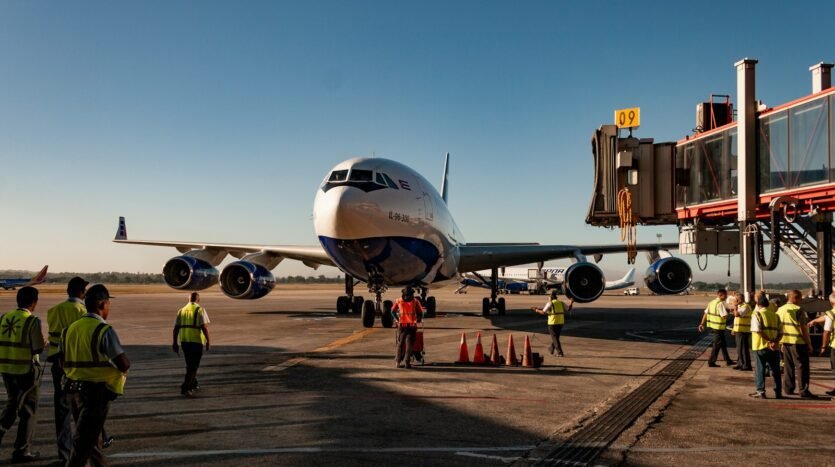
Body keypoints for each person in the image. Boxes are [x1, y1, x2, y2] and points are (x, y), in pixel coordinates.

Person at [60, 284, 130, 467]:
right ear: (101, 304)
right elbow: (123, 363)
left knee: (92, 443)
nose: (109, 307)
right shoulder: (103, 330)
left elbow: (62, 361)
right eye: (108, 303)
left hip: (73, 391)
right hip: (95, 394)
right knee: (82, 446)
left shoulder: (69, 330)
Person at [46, 276, 88, 463]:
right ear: (82, 292)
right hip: (76, 365)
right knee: (82, 411)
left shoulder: (53, 310)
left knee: (61, 411)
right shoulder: (82, 311)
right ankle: (80, 455)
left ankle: (64, 454)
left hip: (57, 364)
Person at [0, 286, 45, 463]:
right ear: (33, 303)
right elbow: (37, 347)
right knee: (28, 410)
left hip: (6, 369)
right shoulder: (32, 321)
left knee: (12, 405)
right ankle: (22, 450)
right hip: (25, 371)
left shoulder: (4, 318)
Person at [777, 289, 813, 398]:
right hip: (798, 342)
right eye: (800, 298)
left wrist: (781, 342)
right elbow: (803, 328)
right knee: (802, 367)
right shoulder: (798, 309)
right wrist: (809, 343)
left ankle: (788, 388)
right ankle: (803, 390)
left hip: (785, 341)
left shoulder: (780, 310)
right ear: (794, 298)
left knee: (788, 366)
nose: (801, 300)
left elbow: (779, 327)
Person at [173, 292, 211, 396]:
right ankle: (186, 387)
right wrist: (208, 341)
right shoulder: (200, 310)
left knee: (190, 364)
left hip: (184, 341)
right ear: (198, 300)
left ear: (188, 300)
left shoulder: (181, 311)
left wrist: (175, 343)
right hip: (196, 341)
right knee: (193, 366)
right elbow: (204, 327)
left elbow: (176, 328)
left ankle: (193, 383)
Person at [749, 295, 783, 399]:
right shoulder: (775, 316)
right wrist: (774, 342)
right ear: (768, 305)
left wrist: (768, 341)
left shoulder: (757, 314)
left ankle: (761, 391)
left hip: (760, 346)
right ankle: (778, 392)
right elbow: (781, 332)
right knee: (776, 370)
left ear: (758, 305)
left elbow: (758, 330)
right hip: (774, 347)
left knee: (760, 369)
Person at [807, 293, 835, 396]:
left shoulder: (831, 313)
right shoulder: (830, 314)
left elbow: (827, 331)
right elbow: (827, 317)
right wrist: (815, 320)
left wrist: (823, 346)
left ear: (831, 303)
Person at [698, 289, 734, 367]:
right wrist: (729, 312)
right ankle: (711, 361)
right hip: (719, 327)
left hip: (713, 326)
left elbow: (705, 313)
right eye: (725, 295)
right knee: (716, 345)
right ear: (720, 295)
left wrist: (702, 324)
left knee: (723, 344)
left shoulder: (711, 302)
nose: (726, 297)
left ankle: (728, 360)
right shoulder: (720, 304)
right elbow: (724, 316)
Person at [532, 290, 574, 357]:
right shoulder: (561, 303)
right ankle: (551, 349)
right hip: (560, 322)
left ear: (551, 297)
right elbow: (569, 309)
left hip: (552, 323)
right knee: (556, 337)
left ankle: (560, 353)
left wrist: (536, 310)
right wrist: (571, 302)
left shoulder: (550, 303)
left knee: (555, 338)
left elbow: (543, 312)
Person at [391, 287, 423, 369]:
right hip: (412, 326)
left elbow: (392, 311)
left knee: (400, 344)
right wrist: (419, 319)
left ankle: (398, 362)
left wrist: (397, 319)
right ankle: (407, 362)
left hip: (402, 326)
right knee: (409, 345)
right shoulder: (415, 301)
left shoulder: (398, 300)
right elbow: (421, 312)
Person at [730, 291, 753, 371]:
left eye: (736, 300)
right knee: (739, 348)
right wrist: (734, 329)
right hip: (739, 330)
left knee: (743, 349)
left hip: (744, 331)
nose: (735, 301)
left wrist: (734, 307)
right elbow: (736, 319)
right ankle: (740, 363)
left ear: (740, 299)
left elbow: (737, 315)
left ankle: (746, 365)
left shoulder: (745, 306)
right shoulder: (740, 306)